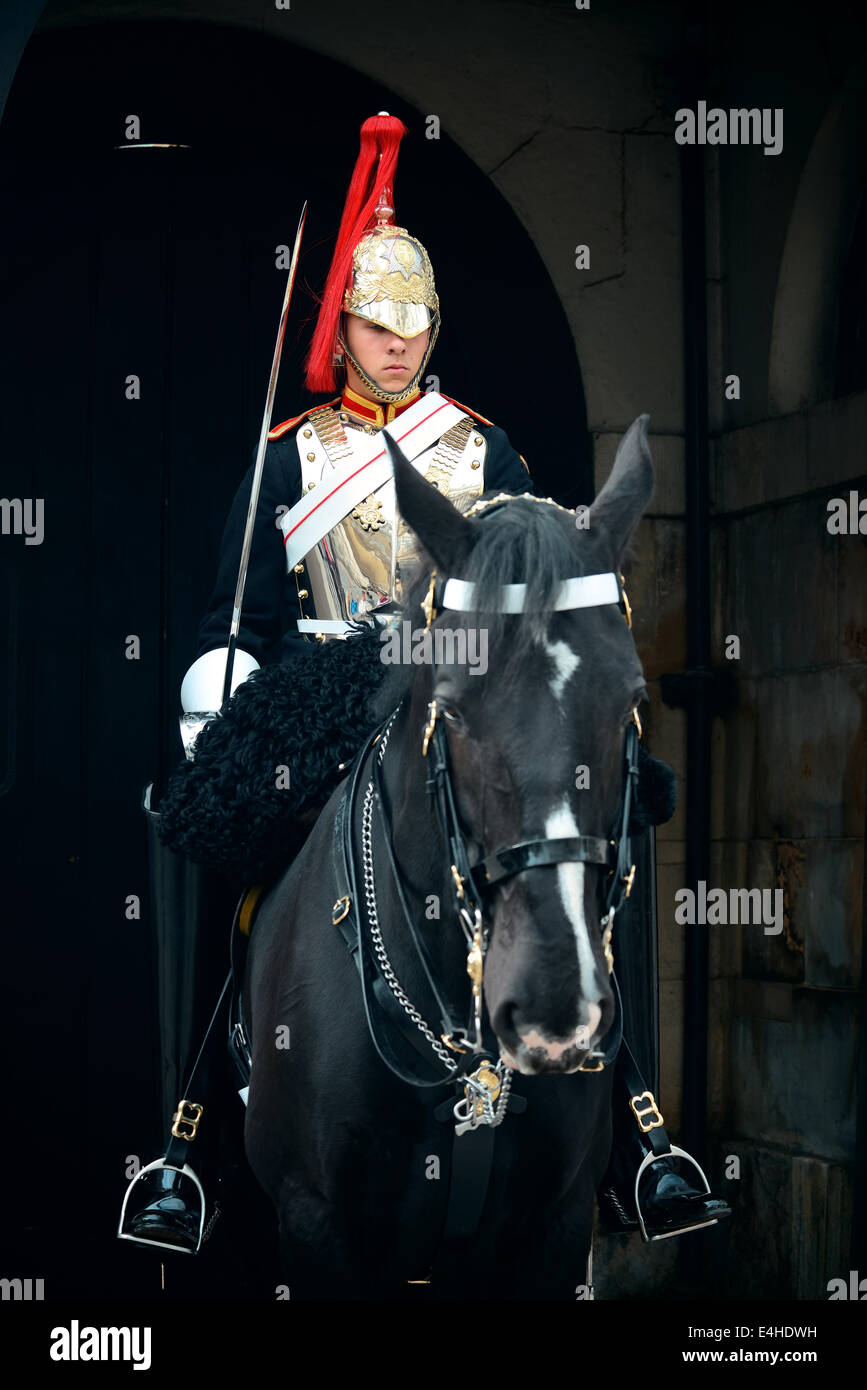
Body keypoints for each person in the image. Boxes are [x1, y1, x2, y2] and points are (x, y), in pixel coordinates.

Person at [119, 112, 729, 1258]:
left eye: (414, 324)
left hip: (457, 683)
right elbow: (232, 615)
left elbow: (536, 581)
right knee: (218, 825)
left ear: (434, 328)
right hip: (320, 691)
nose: (395, 343)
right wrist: (229, 686)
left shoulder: (483, 450)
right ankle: (188, 1137)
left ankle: (642, 1132)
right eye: (374, 322)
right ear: (340, 328)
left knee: (614, 814)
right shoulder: (287, 456)